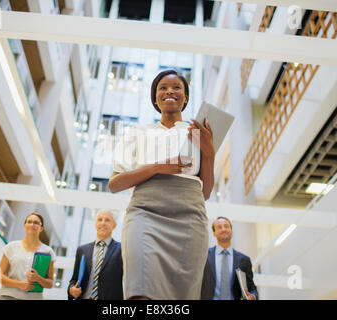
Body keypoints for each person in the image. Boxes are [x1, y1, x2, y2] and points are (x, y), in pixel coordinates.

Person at [108, 69, 215, 300]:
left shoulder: (197, 134)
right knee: (139, 290)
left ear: (185, 97)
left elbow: (205, 192)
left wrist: (209, 153)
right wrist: (156, 167)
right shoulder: (137, 133)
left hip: (189, 217)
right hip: (145, 213)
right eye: (162, 88)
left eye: (177, 87)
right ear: (154, 97)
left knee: (183, 295)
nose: (169, 91)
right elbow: (114, 184)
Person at [0, 212, 56, 300]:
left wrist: (38, 279)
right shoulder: (11, 247)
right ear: (24, 225)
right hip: (9, 296)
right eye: (29, 222)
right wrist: (20, 284)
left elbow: (50, 283)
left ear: (41, 228)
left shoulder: (48, 251)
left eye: (36, 223)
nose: (32, 224)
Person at [67, 210, 123, 300]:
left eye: (107, 220)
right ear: (95, 224)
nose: (103, 223)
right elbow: (74, 279)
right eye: (100, 219)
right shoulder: (82, 250)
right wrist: (71, 289)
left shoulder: (122, 250)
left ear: (114, 225)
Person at [200, 216, 258, 300]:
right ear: (214, 233)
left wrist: (253, 296)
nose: (223, 229)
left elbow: (252, 289)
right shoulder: (204, 256)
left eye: (226, 226)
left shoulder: (244, 260)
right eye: (219, 227)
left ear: (231, 230)